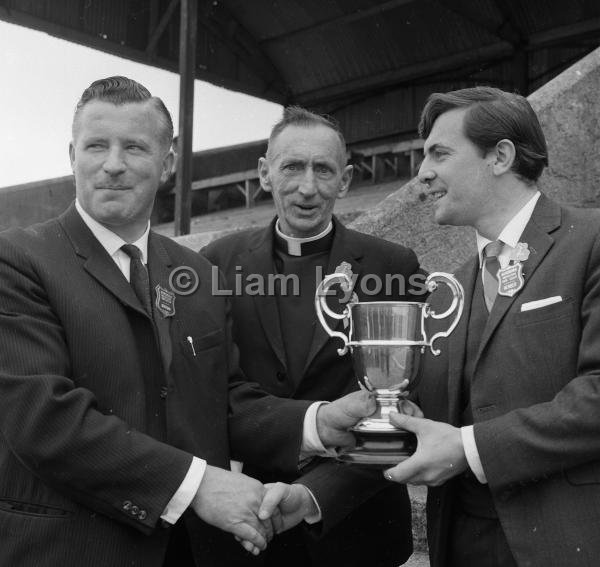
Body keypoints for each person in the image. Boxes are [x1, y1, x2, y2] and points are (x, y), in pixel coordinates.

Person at [0, 77, 370, 567]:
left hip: (194, 553)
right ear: (72, 154)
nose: (113, 164)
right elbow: (44, 420)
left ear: (168, 163)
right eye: (96, 146)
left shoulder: (197, 273)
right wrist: (197, 484)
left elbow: (222, 398)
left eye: (134, 146)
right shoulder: (18, 260)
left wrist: (315, 422)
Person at [379, 86, 600, 567]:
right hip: (459, 543)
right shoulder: (449, 290)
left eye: (439, 153)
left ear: (500, 156)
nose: (423, 174)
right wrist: (390, 410)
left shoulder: (592, 240)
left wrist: (468, 447)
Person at [203, 106, 425, 567]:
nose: (308, 188)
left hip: (358, 529)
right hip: (249, 522)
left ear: (344, 180)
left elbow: (397, 418)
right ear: (265, 173)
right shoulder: (216, 264)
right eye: (292, 167)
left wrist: (314, 493)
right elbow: (210, 396)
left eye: (323, 170)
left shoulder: (394, 267)